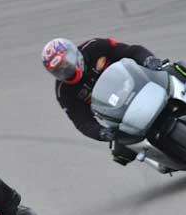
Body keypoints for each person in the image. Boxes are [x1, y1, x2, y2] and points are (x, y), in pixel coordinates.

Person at [41, 37, 170, 165]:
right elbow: (82, 121)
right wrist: (100, 132)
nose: (65, 69)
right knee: (121, 154)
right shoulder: (63, 92)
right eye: (59, 70)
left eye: (66, 63)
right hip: (118, 113)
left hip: (138, 83)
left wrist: (148, 60)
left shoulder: (95, 46)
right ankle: (163, 160)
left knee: (172, 70)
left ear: (74, 53)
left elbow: (132, 51)